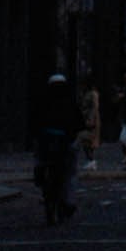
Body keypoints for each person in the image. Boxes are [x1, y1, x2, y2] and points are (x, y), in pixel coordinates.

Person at [32, 64, 79, 226]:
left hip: (45, 138)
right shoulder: (69, 100)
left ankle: (39, 176)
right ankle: (69, 201)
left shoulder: (42, 99)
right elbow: (77, 120)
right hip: (64, 140)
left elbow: (34, 118)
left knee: (39, 158)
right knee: (70, 171)